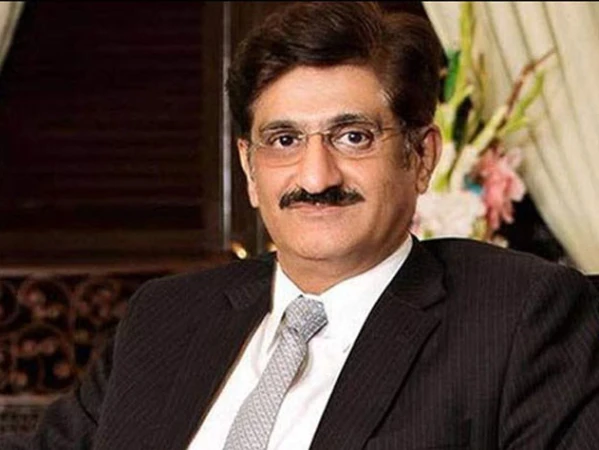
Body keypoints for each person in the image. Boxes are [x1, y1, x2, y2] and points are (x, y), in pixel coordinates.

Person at [2, 2, 599, 449]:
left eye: (353, 136)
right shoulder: (165, 317)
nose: (315, 176)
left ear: (421, 157)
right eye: (284, 140)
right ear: (249, 168)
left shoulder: (521, 320)